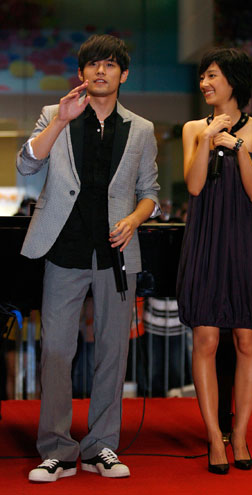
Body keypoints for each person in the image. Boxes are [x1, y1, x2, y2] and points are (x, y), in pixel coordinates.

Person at [16, 34, 160, 483]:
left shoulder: (141, 128)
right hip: (63, 248)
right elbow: (25, 165)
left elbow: (150, 194)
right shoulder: (53, 115)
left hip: (116, 254)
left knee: (113, 354)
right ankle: (57, 449)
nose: (102, 70)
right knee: (57, 351)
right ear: (81, 74)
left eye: (111, 64)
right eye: (93, 64)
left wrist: (135, 219)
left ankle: (101, 447)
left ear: (123, 74)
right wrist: (59, 121)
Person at [176, 47, 252, 474]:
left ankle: (242, 435)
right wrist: (207, 138)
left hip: (247, 242)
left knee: (247, 340)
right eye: (202, 76)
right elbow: (195, 186)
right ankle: (215, 436)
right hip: (205, 241)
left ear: (233, 80)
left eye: (212, 75)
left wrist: (237, 146)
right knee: (207, 339)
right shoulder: (192, 128)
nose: (204, 83)